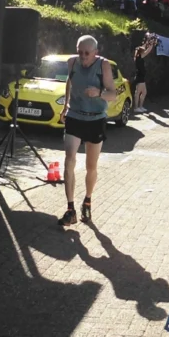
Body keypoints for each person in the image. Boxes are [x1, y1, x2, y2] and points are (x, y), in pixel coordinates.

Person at [58, 35, 118, 226]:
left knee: (91, 166)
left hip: (95, 120)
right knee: (69, 160)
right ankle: (70, 209)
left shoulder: (103, 66)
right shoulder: (72, 63)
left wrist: (99, 93)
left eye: (87, 53)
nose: (83, 56)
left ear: (95, 52)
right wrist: (66, 104)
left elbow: (113, 95)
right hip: (75, 116)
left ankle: (88, 200)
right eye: (80, 52)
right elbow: (69, 81)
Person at [132, 34, 157, 114]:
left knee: (142, 92)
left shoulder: (138, 56)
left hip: (141, 76)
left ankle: (140, 106)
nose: (144, 51)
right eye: (143, 50)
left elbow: (143, 47)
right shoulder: (140, 57)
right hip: (140, 76)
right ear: (141, 52)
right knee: (138, 92)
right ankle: (136, 107)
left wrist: (148, 41)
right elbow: (148, 50)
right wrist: (152, 44)